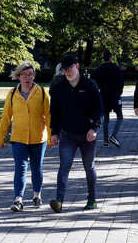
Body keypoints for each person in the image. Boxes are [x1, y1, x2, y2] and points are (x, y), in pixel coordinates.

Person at [49, 54, 103, 213]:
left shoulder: (90, 85)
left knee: (89, 166)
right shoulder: (59, 88)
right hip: (68, 134)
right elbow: (55, 112)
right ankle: (59, 200)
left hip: (87, 134)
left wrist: (94, 128)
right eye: (65, 70)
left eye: (70, 69)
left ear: (77, 66)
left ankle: (92, 199)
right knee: (64, 166)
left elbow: (98, 109)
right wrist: (54, 132)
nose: (67, 72)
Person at [0, 61, 51, 212]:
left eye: (31, 75)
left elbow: (49, 115)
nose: (28, 78)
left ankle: (37, 195)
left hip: (38, 137)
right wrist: (0, 139)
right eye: (25, 75)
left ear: (34, 76)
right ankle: (18, 199)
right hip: (18, 137)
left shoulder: (42, 92)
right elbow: (5, 117)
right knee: (20, 168)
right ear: (19, 76)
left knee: (36, 167)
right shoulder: (13, 93)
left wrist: (51, 136)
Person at [92, 52, 124, 148]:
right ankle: (114, 135)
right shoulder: (115, 68)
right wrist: (119, 92)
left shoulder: (99, 69)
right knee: (120, 116)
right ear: (110, 58)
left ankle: (106, 141)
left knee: (106, 118)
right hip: (115, 95)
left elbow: (96, 83)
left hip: (104, 95)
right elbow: (120, 82)